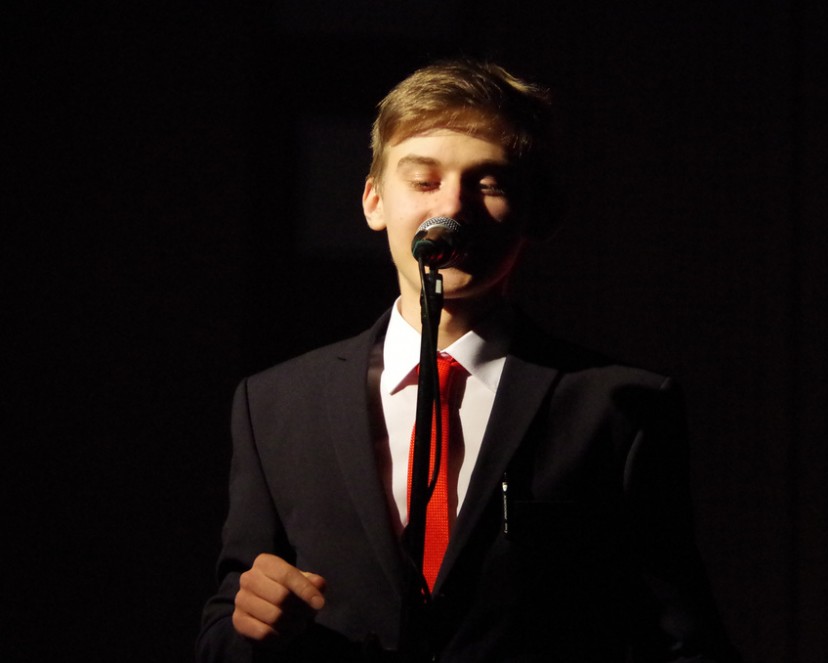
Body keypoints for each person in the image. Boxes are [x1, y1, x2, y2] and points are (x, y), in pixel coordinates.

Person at [197, 59, 740, 662]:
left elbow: (683, 640)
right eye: (423, 181)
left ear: (537, 211)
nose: (451, 209)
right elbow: (223, 631)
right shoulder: (275, 404)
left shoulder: (617, 409)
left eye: (489, 184)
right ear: (374, 201)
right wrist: (251, 629)